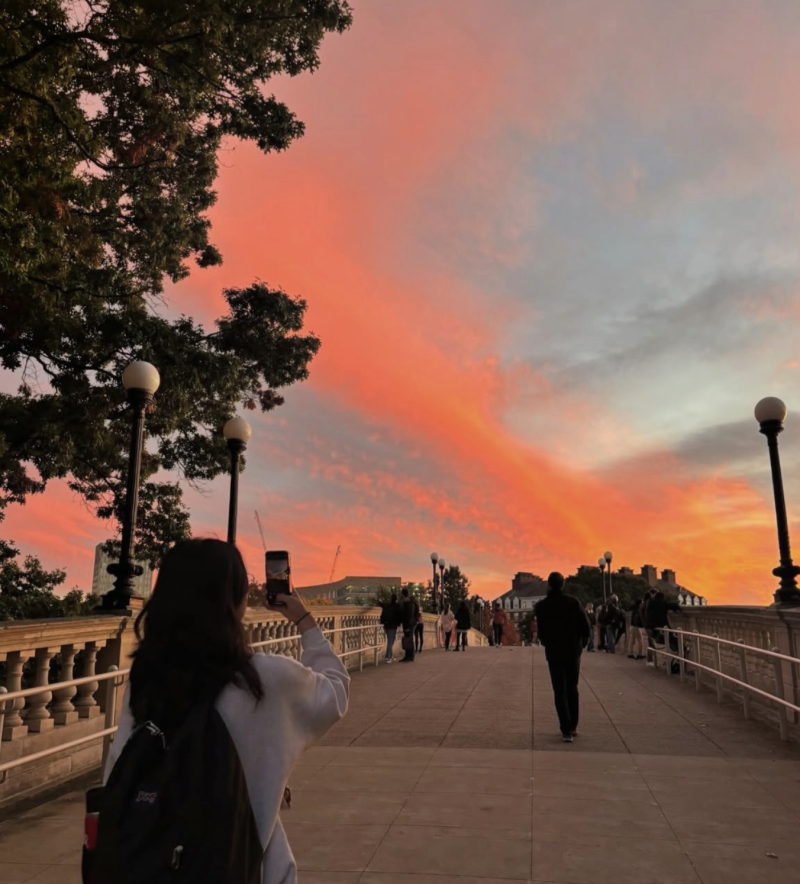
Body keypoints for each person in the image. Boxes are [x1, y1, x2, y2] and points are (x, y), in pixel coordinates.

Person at [102, 538, 349, 884]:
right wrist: (304, 620)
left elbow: (118, 773)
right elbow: (335, 691)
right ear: (235, 603)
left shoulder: (146, 680)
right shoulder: (265, 680)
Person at [534, 572, 590, 743]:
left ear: (549, 585)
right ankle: (573, 725)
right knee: (572, 687)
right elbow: (585, 626)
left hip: (554, 651)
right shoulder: (574, 603)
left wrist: (547, 642)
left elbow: (541, 631)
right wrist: (581, 644)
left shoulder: (542, 606)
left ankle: (565, 729)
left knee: (559, 690)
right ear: (563, 584)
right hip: (573, 651)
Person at [380, 593, 403, 663]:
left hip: (386, 625)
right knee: (391, 642)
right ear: (396, 599)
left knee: (390, 640)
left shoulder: (387, 605)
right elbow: (399, 615)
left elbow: (381, 605)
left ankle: (390, 655)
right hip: (393, 626)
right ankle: (388, 657)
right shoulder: (397, 606)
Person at [400, 587, 418, 662]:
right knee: (409, 639)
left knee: (408, 639)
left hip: (409, 624)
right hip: (412, 623)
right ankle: (409, 656)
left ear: (403, 595)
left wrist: (407, 626)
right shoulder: (412, 602)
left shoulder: (408, 604)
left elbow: (409, 615)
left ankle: (409, 656)